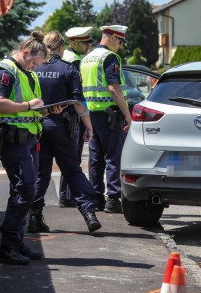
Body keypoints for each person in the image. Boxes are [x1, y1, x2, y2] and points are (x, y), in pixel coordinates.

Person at [0, 31, 48, 265]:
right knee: (25, 190)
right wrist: (28, 105)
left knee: (24, 191)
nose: (35, 67)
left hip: (28, 139)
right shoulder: (5, 71)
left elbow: (30, 106)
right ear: (25, 52)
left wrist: (46, 109)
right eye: (34, 62)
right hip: (13, 140)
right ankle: (8, 247)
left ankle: (16, 242)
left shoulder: (25, 72)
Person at [30, 30, 102, 233]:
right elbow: (78, 103)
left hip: (37, 128)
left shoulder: (34, 68)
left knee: (41, 173)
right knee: (72, 170)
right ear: (61, 47)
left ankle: (34, 218)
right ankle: (89, 213)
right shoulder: (68, 69)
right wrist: (88, 126)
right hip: (63, 128)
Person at [81, 25, 132, 213]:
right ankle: (113, 198)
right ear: (111, 38)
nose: (119, 45)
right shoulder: (109, 58)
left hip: (90, 115)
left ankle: (96, 198)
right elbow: (113, 88)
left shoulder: (87, 58)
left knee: (95, 159)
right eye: (119, 41)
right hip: (108, 114)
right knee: (113, 157)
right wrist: (127, 114)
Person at [58, 26, 94, 207]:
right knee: (72, 157)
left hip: (65, 114)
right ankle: (67, 196)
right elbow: (77, 94)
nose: (88, 46)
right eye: (84, 42)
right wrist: (85, 117)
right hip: (73, 114)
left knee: (70, 156)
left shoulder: (70, 57)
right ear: (73, 42)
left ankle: (67, 194)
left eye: (88, 42)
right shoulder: (74, 61)